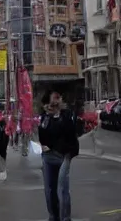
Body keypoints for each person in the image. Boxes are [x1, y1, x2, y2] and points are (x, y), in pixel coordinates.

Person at [38, 90, 79, 221]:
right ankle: (53, 216)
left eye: (58, 98)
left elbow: (70, 135)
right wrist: (48, 117)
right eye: (53, 99)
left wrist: (58, 116)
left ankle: (65, 218)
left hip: (64, 155)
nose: (56, 102)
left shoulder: (67, 116)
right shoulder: (45, 117)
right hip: (48, 156)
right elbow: (43, 137)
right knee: (49, 190)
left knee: (62, 189)